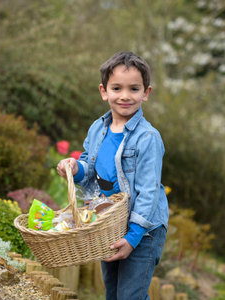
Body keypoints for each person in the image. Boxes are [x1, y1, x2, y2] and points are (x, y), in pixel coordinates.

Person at [56, 51, 169, 300]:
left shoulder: (148, 138)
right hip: (109, 223)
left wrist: (133, 237)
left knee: (131, 296)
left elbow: (148, 192)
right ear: (104, 91)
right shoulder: (98, 128)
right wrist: (75, 168)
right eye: (117, 88)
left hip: (144, 229)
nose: (125, 96)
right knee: (114, 293)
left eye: (134, 89)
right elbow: (89, 165)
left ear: (146, 93)